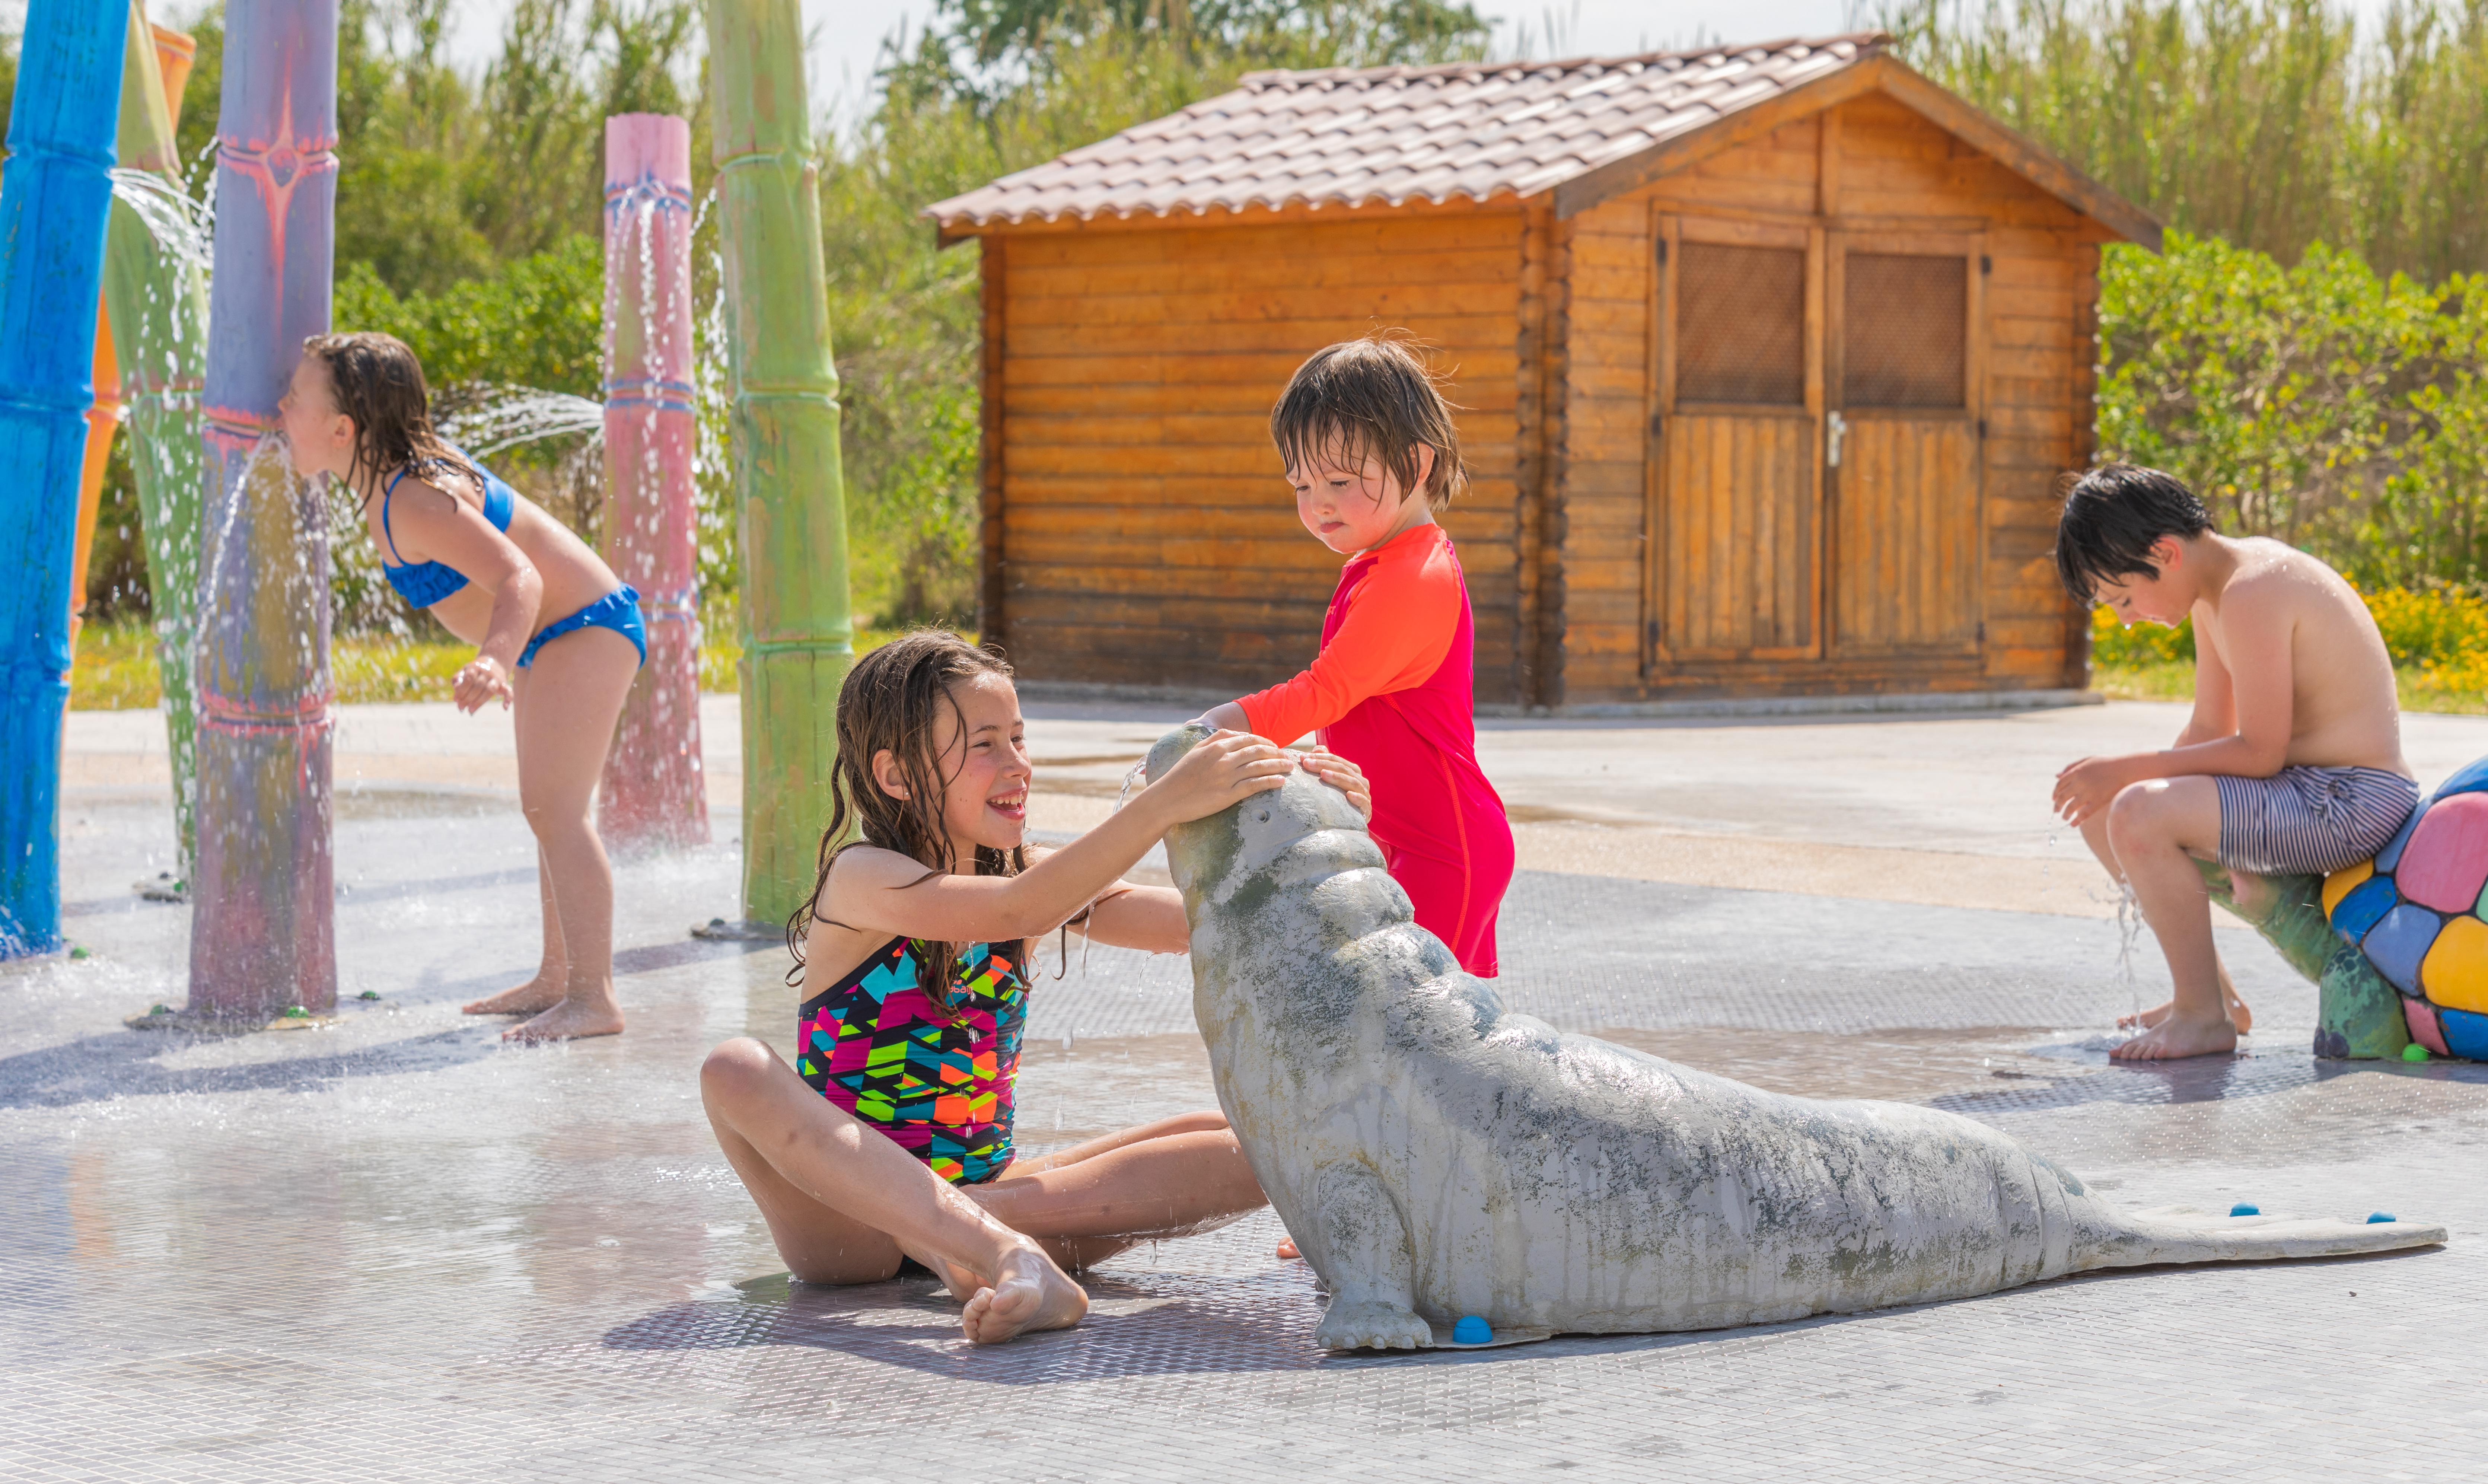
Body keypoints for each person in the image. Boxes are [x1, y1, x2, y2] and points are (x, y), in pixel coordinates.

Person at [698, 632, 1372, 1344]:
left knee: (1258, 1140)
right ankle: (999, 1250)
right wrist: (1162, 804)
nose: (1017, 763)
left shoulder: (1026, 871)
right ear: (896, 776)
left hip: (994, 1191)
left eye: (1018, 738)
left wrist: (1313, 821)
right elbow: (1017, 907)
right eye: (984, 744)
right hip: (852, 1226)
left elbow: (1201, 928)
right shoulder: (865, 877)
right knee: (734, 1068)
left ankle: (969, 1238)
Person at [280, 332, 648, 1042]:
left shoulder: (415, 498)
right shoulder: (391, 484)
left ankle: (594, 997)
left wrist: (494, 660)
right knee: (546, 807)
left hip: (584, 625)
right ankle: (557, 975)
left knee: (558, 810)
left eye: (295, 397)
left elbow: (521, 577)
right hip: (554, 634)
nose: (280, 407)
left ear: (343, 429)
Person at [2050, 464, 2417, 1061]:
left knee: (2138, 809)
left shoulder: (2254, 589)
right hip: (2306, 790)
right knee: (2110, 813)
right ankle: (2212, 996)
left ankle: (2203, 1018)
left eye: (2123, 597)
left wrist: (2129, 777)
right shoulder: (2214, 594)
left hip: (2353, 799)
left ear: (2164, 552)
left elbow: (2260, 750)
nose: (2125, 617)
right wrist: (2124, 789)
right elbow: (2207, 731)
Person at [1195, 335, 1516, 978]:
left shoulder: (1412, 577)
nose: (1318, 503)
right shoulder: (1385, 564)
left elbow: (1325, 692)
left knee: (1423, 1039)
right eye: (1302, 484)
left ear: (1417, 462)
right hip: (1399, 837)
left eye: (1340, 481)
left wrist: (1210, 730)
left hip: (1439, 849)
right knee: (1402, 1035)